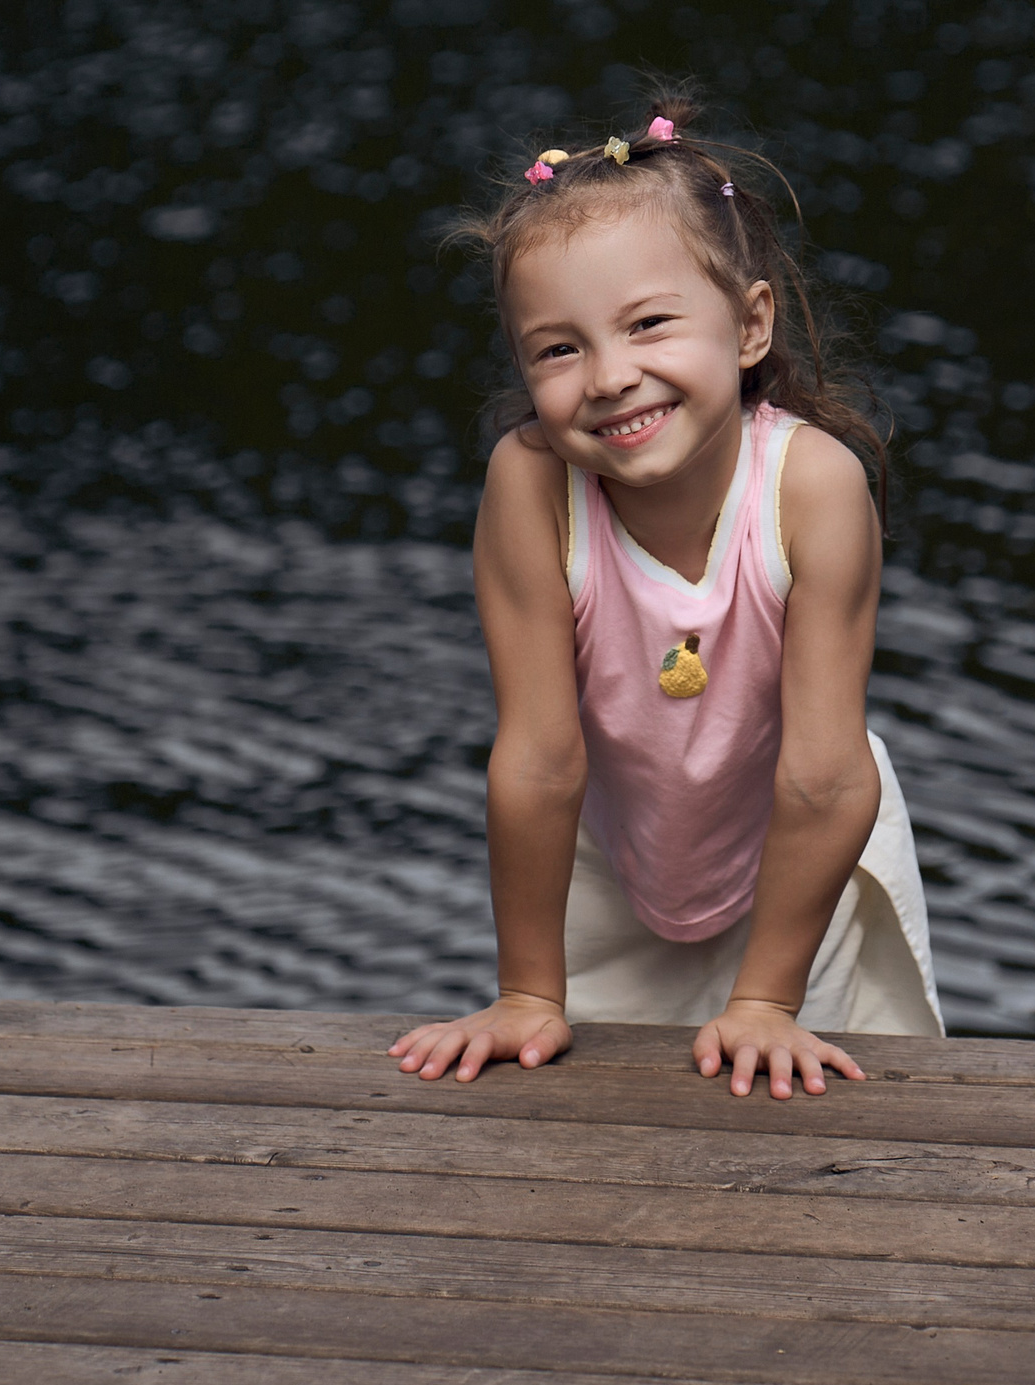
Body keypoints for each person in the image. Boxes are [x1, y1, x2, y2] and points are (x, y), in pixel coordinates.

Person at [387, 88, 942, 1098]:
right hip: (611, 851)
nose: (608, 377)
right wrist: (526, 993)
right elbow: (541, 758)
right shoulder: (531, 484)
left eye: (648, 324)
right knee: (588, 1118)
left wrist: (767, 1004)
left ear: (748, 325)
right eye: (559, 347)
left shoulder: (813, 487)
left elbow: (823, 777)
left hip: (797, 852)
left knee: (786, 1113)